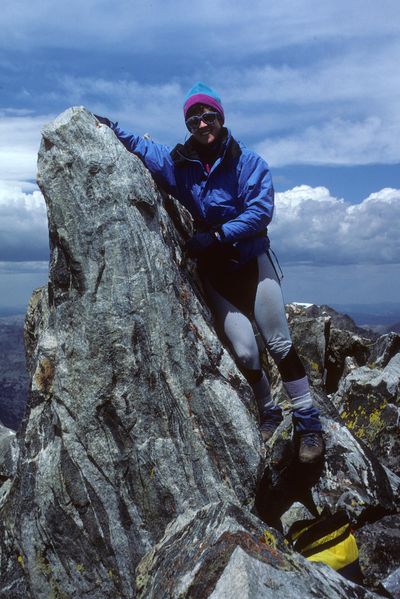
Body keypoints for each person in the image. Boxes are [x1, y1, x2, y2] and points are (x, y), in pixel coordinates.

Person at [94, 82, 324, 463]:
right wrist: (112, 128)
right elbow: (148, 151)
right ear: (188, 125)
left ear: (221, 117)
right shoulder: (182, 165)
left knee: (279, 344)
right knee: (247, 354)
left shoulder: (247, 162)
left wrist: (217, 234)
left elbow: (260, 211)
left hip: (251, 263)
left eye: (209, 116)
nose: (202, 124)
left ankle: (309, 423)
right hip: (217, 274)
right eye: (194, 119)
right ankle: (269, 409)